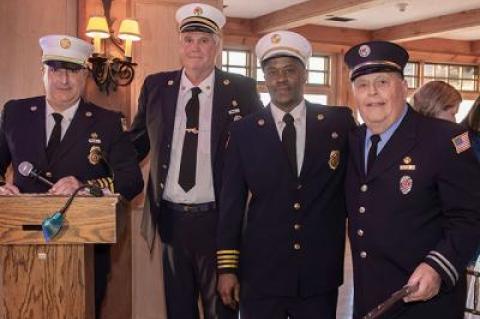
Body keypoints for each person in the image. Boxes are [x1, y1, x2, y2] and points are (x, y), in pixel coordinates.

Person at [128, 3, 262, 318]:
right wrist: (92, 172)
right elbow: (134, 143)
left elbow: (261, 147)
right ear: (179, 45)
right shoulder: (157, 86)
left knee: (222, 309)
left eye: (204, 40)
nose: (195, 47)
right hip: (171, 221)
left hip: (220, 222)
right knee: (178, 310)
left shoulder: (240, 89)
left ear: (217, 45)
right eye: (188, 39)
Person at [0, 34, 144, 316]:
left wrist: (86, 186)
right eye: (55, 70)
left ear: (86, 75)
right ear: (43, 72)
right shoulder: (15, 113)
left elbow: (131, 180)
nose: (64, 80)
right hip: (19, 247)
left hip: (85, 249)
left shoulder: (107, 122)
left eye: (73, 70)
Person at [216, 30, 356, 319]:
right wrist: (227, 268)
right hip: (261, 274)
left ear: (304, 74)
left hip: (319, 273)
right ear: (264, 79)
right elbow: (231, 205)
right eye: (273, 72)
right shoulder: (243, 132)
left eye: (289, 70)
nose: (281, 79)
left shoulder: (337, 123)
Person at [344, 40, 480, 318]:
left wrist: (438, 267)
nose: (372, 93)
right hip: (370, 299)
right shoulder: (353, 142)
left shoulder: (446, 139)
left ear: (404, 86)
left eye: (382, 81)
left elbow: (470, 216)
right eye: (362, 85)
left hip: (425, 299)